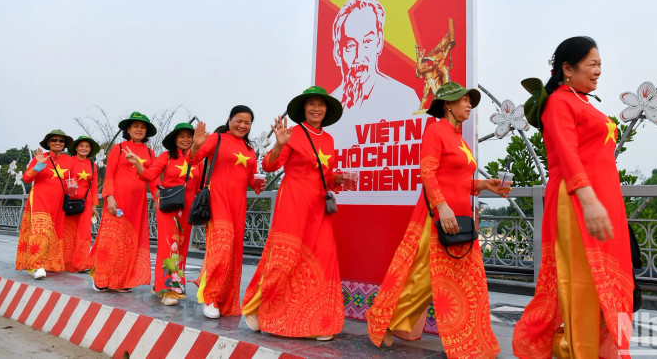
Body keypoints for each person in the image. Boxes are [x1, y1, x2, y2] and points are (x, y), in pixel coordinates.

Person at [367, 81, 508, 358]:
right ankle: (382, 320)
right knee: (420, 277)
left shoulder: (459, 139)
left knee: (456, 281)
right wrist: (442, 208)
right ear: (448, 104)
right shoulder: (436, 131)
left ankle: (469, 340)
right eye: (465, 100)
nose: (469, 105)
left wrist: (484, 185)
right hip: (436, 216)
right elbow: (427, 173)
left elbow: (458, 181)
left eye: (470, 101)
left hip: (460, 218)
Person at [512, 36, 633, 358]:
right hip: (576, 200)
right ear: (567, 68)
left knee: (602, 282)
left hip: (603, 200)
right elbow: (566, 154)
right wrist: (589, 201)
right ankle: (575, 351)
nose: (598, 71)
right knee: (580, 284)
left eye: (600, 65)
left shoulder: (583, 102)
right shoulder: (560, 102)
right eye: (592, 64)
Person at [242, 86, 345, 340]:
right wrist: (278, 145)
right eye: (311, 104)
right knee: (286, 259)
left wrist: (340, 178)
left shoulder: (329, 140)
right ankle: (260, 308)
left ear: (326, 110)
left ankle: (317, 321)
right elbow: (269, 165)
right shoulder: (292, 134)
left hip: (319, 208)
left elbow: (328, 176)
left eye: (321, 104)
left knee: (323, 259)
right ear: (303, 109)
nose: (316, 108)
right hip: (294, 204)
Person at [188, 105, 261, 318]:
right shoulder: (217, 139)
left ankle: (224, 299)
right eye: (239, 120)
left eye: (247, 122)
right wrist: (196, 145)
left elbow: (250, 179)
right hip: (218, 199)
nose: (242, 125)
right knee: (221, 246)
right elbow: (193, 160)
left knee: (233, 252)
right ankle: (209, 297)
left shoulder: (249, 150)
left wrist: (257, 186)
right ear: (229, 120)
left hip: (238, 205)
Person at [130, 122, 203, 306]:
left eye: (189, 136)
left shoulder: (199, 161)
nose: (185, 140)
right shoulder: (166, 157)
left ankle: (160, 284)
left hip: (187, 209)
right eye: (182, 136)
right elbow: (149, 175)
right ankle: (172, 290)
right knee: (169, 246)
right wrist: (138, 163)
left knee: (181, 247)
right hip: (168, 208)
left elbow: (201, 188)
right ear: (175, 139)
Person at [91, 112, 156, 292]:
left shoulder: (150, 152)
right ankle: (101, 278)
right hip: (117, 201)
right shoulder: (118, 148)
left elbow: (153, 178)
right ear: (128, 129)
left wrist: (159, 198)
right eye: (135, 126)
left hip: (137, 204)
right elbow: (109, 173)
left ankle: (121, 280)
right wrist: (110, 197)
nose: (139, 130)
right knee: (110, 239)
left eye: (142, 127)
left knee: (129, 242)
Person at [330, 0, 418, 114]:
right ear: (337, 52)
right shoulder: (327, 110)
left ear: (379, 42)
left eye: (367, 42)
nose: (359, 57)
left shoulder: (405, 99)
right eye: (351, 45)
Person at [16, 129, 74, 279]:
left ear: (65, 144)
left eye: (61, 141)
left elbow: (72, 181)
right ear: (48, 143)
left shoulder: (70, 160)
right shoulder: (40, 157)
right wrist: (38, 166)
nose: (57, 143)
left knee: (55, 232)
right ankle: (36, 266)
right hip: (40, 200)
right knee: (40, 231)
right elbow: (27, 179)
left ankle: (50, 263)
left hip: (58, 203)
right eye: (54, 140)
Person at [63, 135, 100, 272]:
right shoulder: (69, 161)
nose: (84, 148)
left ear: (90, 149)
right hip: (69, 200)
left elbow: (94, 186)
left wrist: (94, 206)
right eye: (81, 146)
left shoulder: (93, 165)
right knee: (67, 232)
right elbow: (62, 179)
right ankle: (65, 262)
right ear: (76, 148)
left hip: (86, 202)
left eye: (87, 146)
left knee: (84, 233)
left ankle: (80, 264)